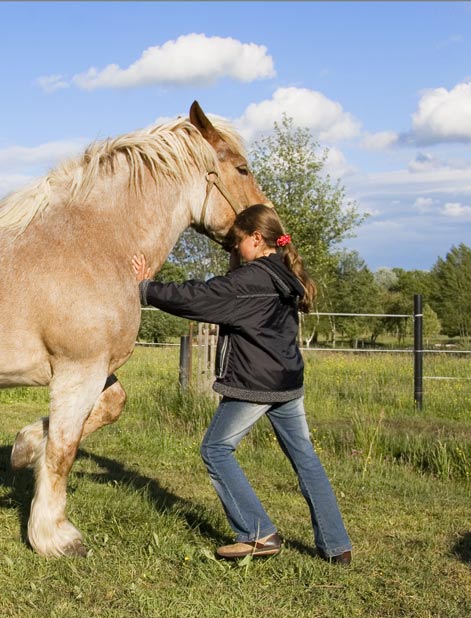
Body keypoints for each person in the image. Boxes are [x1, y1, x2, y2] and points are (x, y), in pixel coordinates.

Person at [132, 203, 352, 564]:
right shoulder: (283, 273)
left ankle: (258, 534)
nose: (233, 249)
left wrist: (146, 289)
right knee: (305, 459)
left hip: (256, 381)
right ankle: (336, 545)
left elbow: (198, 297)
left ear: (255, 238)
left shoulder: (253, 279)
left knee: (216, 450)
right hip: (287, 380)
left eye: (236, 242)